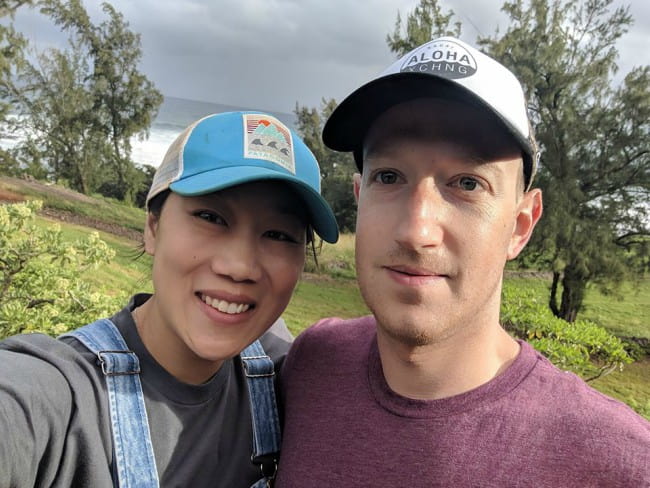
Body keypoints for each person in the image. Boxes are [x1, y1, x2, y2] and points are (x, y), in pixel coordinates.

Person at [275, 36, 650, 486]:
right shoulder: (312, 365)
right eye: (389, 176)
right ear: (359, 197)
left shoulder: (618, 464)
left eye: (468, 184)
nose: (417, 231)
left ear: (520, 225)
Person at [0, 111, 338, 487]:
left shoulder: (288, 376)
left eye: (279, 235)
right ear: (153, 228)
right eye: (211, 216)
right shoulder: (61, 395)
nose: (240, 267)